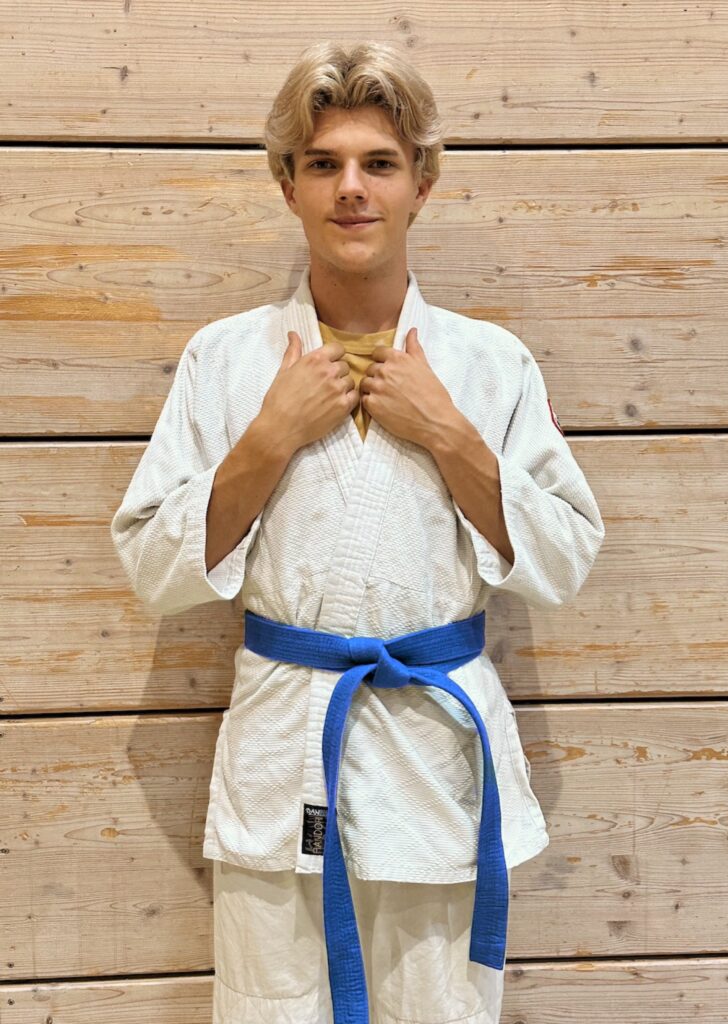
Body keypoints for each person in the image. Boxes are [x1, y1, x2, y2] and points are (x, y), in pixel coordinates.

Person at [111, 39, 605, 1024]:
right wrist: (268, 439)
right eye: (322, 163)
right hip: (284, 759)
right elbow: (151, 568)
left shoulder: (489, 365)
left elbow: (564, 559)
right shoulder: (225, 361)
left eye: (378, 163)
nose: (350, 188)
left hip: (434, 766)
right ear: (286, 184)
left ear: (422, 183)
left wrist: (449, 433)